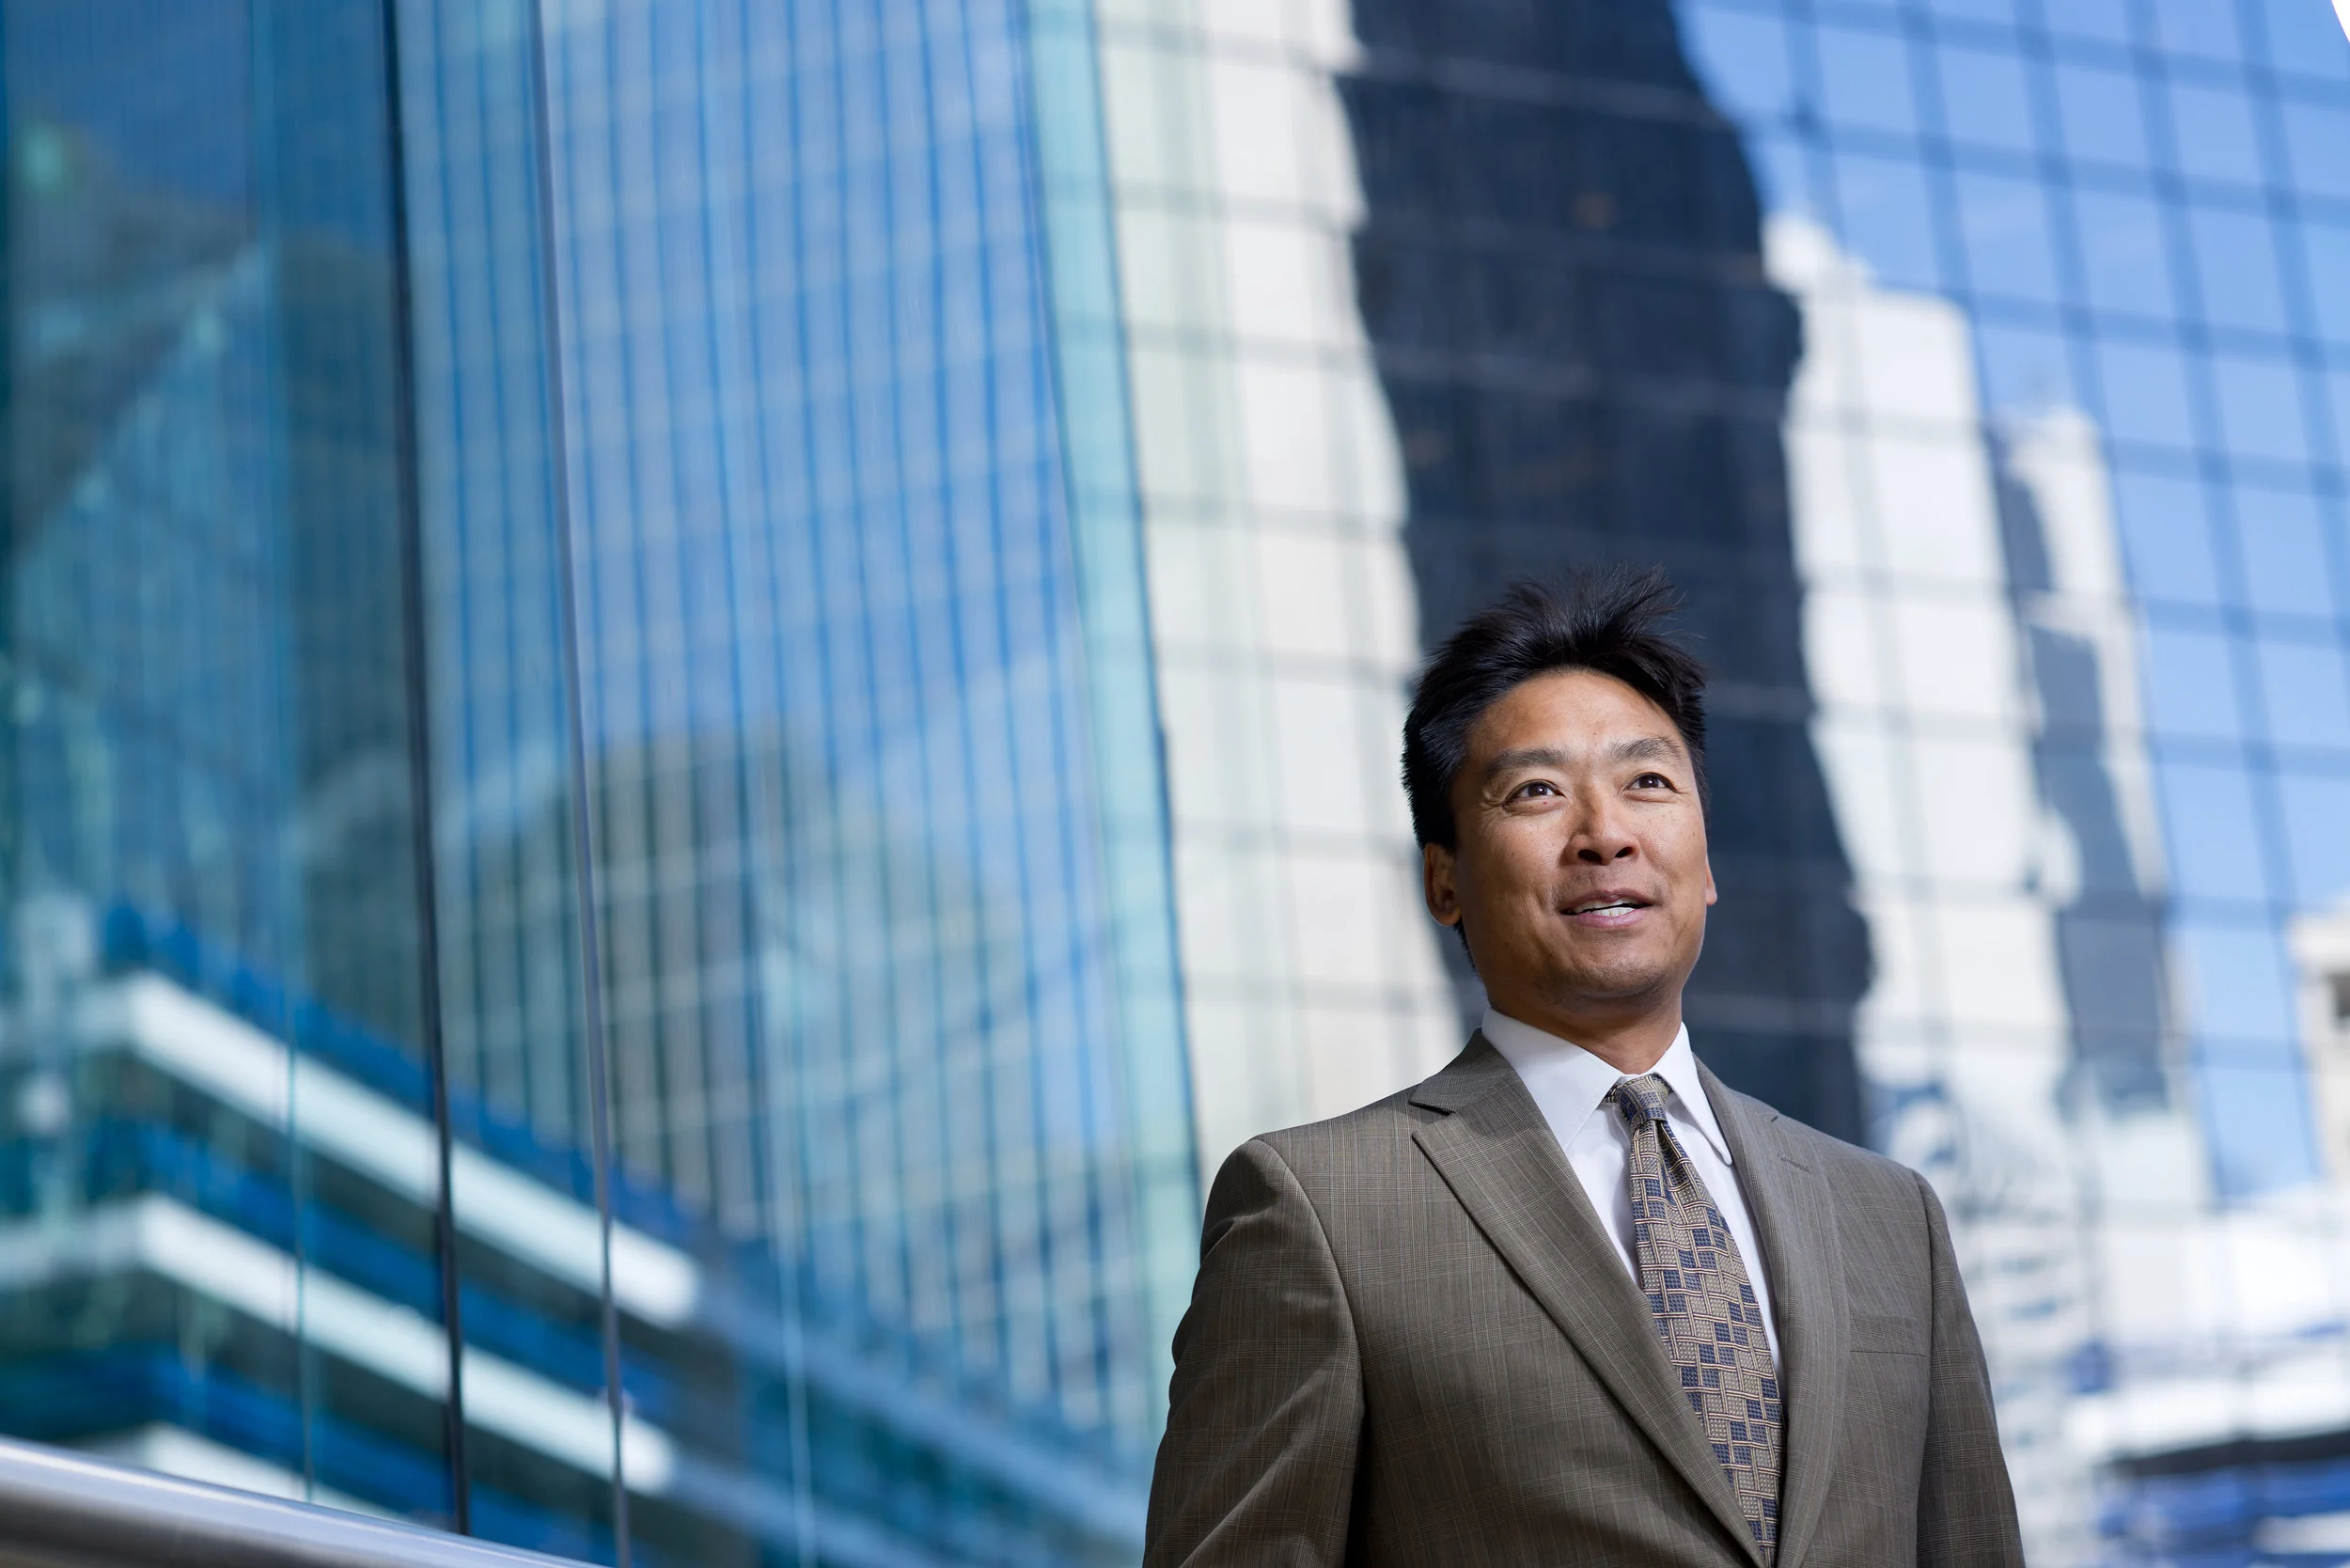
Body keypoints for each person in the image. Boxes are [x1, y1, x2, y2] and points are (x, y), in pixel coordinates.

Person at [1144, 572, 2024, 1567]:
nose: (1605, 833)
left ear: (1706, 857)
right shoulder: (1318, 1210)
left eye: (1647, 783)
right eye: (1537, 793)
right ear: (1443, 879)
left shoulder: (1889, 1216)